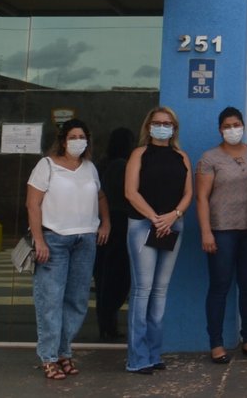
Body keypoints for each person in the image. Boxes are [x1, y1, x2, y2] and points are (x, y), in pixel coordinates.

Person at [26, 118, 110, 380]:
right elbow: (33, 204)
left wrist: (105, 222)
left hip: (85, 241)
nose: (78, 141)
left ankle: (64, 352)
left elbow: (100, 197)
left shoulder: (90, 168)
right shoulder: (46, 165)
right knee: (50, 300)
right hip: (55, 240)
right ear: (63, 140)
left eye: (81, 137)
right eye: (72, 137)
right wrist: (39, 239)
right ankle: (48, 357)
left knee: (76, 301)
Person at [124, 107, 192, 374]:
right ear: (148, 126)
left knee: (160, 292)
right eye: (157, 123)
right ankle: (137, 358)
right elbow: (130, 192)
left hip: (172, 226)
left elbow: (189, 194)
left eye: (167, 123)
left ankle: (154, 353)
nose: (162, 127)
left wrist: (173, 216)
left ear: (174, 128)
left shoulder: (181, 156)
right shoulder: (139, 154)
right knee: (142, 290)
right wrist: (155, 218)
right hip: (144, 225)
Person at [196, 106, 247, 364]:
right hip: (221, 231)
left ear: (244, 127)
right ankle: (216, 343)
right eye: (227, 126)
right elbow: (201, 198)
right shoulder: (209, 158)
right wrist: (206, 231)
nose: (232, 129)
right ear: (220, 129)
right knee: (219, 287)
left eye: (236, 125)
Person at [93, 127, 134, 341]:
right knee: (118, 278)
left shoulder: (102, 165)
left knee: (104, 277)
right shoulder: (121, 166)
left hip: (103, 225)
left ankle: (106, 324)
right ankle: (108, 324)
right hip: (118, 225)